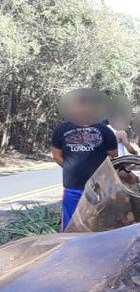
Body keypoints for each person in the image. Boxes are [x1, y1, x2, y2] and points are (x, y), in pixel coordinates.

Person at [51, 88, 118, 230]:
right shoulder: (61, 130)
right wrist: (71, 167)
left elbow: (113, 157)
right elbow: (57, 155)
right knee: (70, 224)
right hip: (72, 188)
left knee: (99, 223)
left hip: (99, 188)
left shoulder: (105, 131)